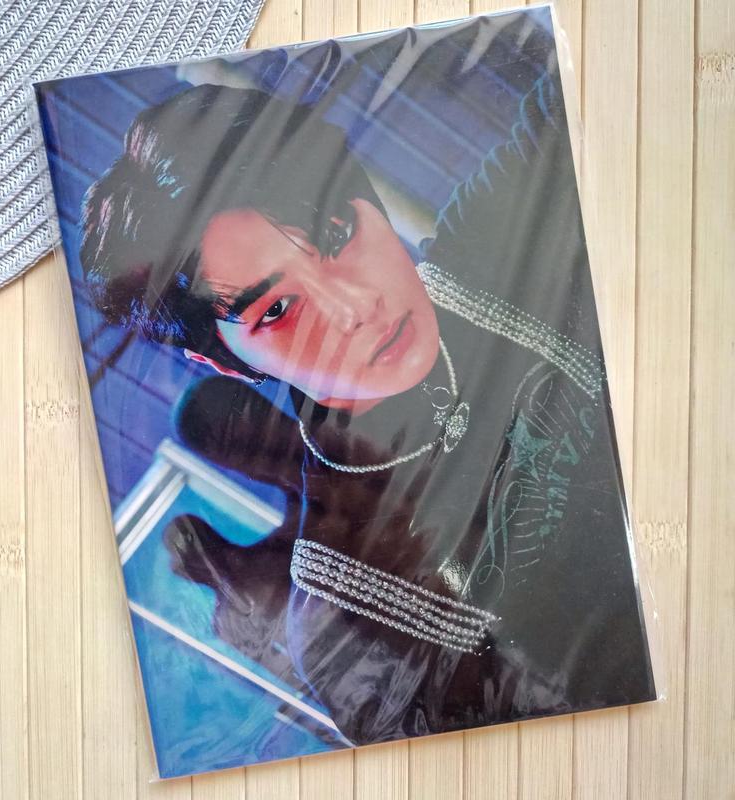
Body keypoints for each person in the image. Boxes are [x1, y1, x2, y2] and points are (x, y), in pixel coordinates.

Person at [81, 43, 654, 746]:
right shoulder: (343, 613)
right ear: (226, 362)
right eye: (276, 310)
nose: (354, 306)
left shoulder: (498, 238)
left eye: (337, 233)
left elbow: (614, 65)